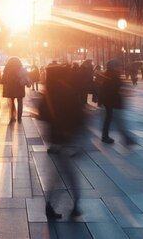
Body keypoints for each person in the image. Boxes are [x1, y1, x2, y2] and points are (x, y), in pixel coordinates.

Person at [40, 64, 84, 219]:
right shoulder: (67, 90)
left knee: (61, 173)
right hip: (67, 137)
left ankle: (61, 205)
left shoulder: (49, 92)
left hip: (56, 137)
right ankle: (70, 204)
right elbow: (78, 114)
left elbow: (42, 113)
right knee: (65, 174)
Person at [97, 60, 135, 145]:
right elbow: (115, 87)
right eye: (118, 66)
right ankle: (125, 138)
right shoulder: (113, 75)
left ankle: (106, 136)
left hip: (109, 101)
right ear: (114, 67)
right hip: (113, 102)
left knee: (110, 119)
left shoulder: (108, 74)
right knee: (117, 121)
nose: (120, 67)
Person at [1, 56, 29, 123]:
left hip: (11, 89)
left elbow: (3, 79)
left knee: (12, 102)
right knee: (20, 102)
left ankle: (12, 116)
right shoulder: (21, 68)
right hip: (20, 88)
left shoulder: (7, 69)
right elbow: (25, 76)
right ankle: (19, 117)